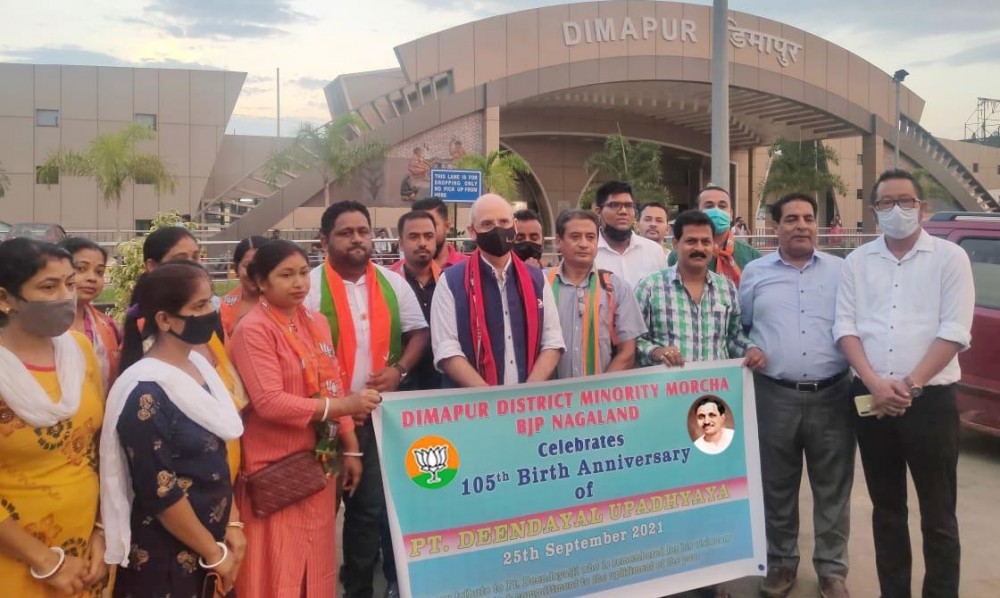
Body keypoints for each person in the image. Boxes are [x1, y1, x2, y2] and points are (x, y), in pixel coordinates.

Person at [834, 169, 974, 598]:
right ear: (875, 211)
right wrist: (875, 383)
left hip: (930, 403)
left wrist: (909, 386)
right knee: (887, 510)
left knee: (938, 515)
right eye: (887, 203)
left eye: (906, 201)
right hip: (871, 401)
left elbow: (954, 331)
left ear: (922, 207)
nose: (897, 210)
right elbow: (846, 328)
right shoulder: (857, 262)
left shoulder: (951, 259)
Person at [229, 240, 377, 598]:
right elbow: (270, 403)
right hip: (276, 469)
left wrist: (352, 449)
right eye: (285, 275)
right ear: (261, 282)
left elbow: (332, 384)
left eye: (301, 273)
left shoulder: (316, 321)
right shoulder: (253, 329)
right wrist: (343, 408)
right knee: (277, 563)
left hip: (319, 466)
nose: (298, 283)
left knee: (317, 560)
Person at [636, 210, 766, 598]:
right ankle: (668, 576)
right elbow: (632, 343)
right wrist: (656, 350)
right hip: (663, 414)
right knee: (667, 494)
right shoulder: (651, 287)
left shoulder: (726, 289)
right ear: (674, 244)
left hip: (712, 414)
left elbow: (734, 340)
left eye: (705, 242)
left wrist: (753, 350)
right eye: (690, 241)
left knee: (712, 495)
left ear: (715, 246)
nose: (698, 248)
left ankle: (712, 576)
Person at [305, 201, 429, 598]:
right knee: (318, 516)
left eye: (364, 230)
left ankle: (357, 590)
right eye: (346, 232)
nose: (358, 239)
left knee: (367, 513)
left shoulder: (392, 284)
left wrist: (400, 372)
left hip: (374, 420)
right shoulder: (307, 287)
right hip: (320, 422)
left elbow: (418, 333)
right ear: (324, 239)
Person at [102, 262, 245, 597]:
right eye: (198, 306)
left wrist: (233, 524)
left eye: (211, 302)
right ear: (165, 320)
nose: (209, 312)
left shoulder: (199, 368)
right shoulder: (145, 391)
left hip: (213, 543)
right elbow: (160, 491)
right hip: (166, 557)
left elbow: (218, 457)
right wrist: (212, 552)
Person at [739, 193, 853, 598]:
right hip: (774, 395)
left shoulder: (843, 271)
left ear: (817, 224)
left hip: (833, 394)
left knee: (833, 488)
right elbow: (742, 326)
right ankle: (781, 563)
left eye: (807, 217)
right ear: (775, 227)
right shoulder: (754, 272)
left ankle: (832, 570)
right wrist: (746, 349)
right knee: (777, 485)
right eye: (791, 219)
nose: (801, 225)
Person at [0, 239, 108, 597]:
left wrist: (103, 529)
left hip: (85, 557)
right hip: (16, 560)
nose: (66, 296)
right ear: (5, 299)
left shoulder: (79, 351)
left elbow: (101, 448)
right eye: (49, 287)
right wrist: (46, 561)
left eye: (70, 283)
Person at [140, 229, 247, 482]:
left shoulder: (205, 328)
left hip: (225, 465)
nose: (192, 265)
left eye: (196, 256)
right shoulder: (148, 340)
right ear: (152, 266)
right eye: (180, 258)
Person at [431, 193, 565, 387]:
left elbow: (552, 341)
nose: (497, 229)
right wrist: (493, 401)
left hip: (527, 405)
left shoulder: (537, 280)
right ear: (472, 231)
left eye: (503, 222)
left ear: (515, 225)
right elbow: (446, 349)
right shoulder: (451, 281)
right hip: (473, 407)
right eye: (487, 224)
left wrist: (527, 392)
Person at [547, 209, 646, 379]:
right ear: (558, 241)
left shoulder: (617, 288)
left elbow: (627, 353)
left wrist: (597, 394)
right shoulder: (540, 284)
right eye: (575, 237)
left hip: (600, 401)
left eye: (590, 237)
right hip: (548, 400)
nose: (584, 244)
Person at [669, 185, 762, 287]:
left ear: (731, 214)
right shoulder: (679, 255)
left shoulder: (752, 256)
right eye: (709, 206)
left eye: (722, 206)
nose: (717, 211)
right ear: (697, 212)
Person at [61, 236, 121, 390]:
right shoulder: (40, 327)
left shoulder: (108, 326)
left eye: (99, 272)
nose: (92, 278)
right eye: (81, 268)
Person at [394, 211, 443, 391]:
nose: (422, 243)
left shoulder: (451, 282)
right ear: (401, 242)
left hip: (445, 386)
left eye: (428, 236)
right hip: (401, 387)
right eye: (414, 236)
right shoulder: (388, 285)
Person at [593, 181, 668, 287]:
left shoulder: (654, 251)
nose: (623, 211)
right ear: (598, 211)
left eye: (629, 206)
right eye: (615, 205)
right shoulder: (589, 252)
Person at [392, 197, 468, 272]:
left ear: (447, 226)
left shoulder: (468, 267)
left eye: (432, 225)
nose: (422, 241)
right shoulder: (397, 272)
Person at [220, 235, 268, 339]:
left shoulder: (287, 304)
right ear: (236, 269)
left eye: (262, 265)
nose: (255, 272)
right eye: (248, 266)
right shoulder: (223, 307)